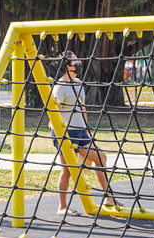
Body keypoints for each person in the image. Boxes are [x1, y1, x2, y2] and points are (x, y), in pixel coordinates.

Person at [50, 51, 122, 216]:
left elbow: (82, 106)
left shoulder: (78, 82)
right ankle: (62, 207)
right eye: (76, 62)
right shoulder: (60, 87)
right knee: (67, 170)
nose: (79, 64)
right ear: (67, 66)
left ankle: (108, 197)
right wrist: (56, 130)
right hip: (66, 133)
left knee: (101, 157)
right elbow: (54, 110)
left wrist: (86, 127)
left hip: (80, 131)